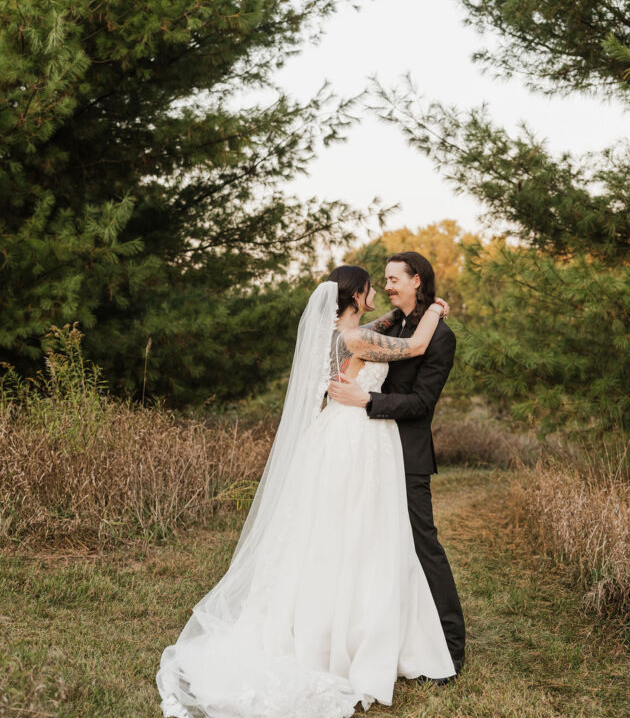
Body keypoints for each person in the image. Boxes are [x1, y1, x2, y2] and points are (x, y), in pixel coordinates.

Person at [156, 266, 455, 718]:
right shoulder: (355, 339)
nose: (379, 291)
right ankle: (346, 637)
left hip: (340, 435)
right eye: (372, 286)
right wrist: (434, 308)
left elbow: (388, 329)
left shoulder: (343, 332)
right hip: (356, 437)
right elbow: (413, 346)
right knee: (357, 532)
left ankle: (336, 627)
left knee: (333, 531)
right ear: (356, 295)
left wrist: (407, 314)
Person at [328, 251, 465, 679]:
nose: (387, 286)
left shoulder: (440, 338)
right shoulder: (391, 324)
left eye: (393, 279)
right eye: (382, 281)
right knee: (373, 546)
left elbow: (423, 403)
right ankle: (386, 634)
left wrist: (367, 400)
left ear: (417, 280)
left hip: (405, 452)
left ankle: (450, 645)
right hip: (368, 451)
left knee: (423, 546)